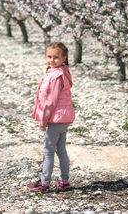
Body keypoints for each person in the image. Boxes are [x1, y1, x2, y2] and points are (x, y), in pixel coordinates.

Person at [27, 42, 75, 193]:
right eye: (49, 56)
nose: (52, 60)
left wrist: (43, 120)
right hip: (63, 118)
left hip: (55, 119)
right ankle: (64, 181)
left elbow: (51, 101)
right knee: (61, 149)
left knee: (48, 150)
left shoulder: (56, 76)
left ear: (64, 58)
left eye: (56, 57)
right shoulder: (62, 71)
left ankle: (45, 183)